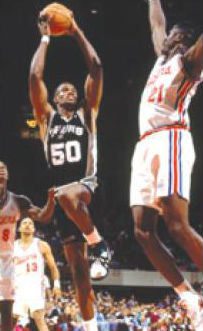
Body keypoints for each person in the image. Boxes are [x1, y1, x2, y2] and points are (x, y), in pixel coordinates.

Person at [29, 10, 111, 331]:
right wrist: (45, 38)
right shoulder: (46, 120)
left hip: (87, 188)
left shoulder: (87, 113)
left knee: (66, 194)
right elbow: (35, 78)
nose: (67, 91)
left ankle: (101, 245)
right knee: (78, 274)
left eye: (71, 90)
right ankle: (91, 327)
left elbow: (97, 67)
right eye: (61, 90)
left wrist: (74, 30)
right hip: (65, 201)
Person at [130, 0, 203, 330]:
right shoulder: (161, 60)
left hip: (171, 138)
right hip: (145, 143)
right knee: (143, 232)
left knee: (176, 226)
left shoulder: (188, 63)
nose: (169, 35)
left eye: (177, 34)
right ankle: (188, 297)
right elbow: (156, 24)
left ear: (185, 42)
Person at [0, 160, 55, 331]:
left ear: (8, 175)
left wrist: (51, 200)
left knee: (8, 317)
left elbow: (42, 216)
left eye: (3, 168)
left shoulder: (17, 201)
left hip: (7, 262)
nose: (1, 170)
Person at [13, 217, 61, 331]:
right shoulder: (12, 246)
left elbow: (53, 267)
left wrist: (57, 285)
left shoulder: (41, 245)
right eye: (24, 223)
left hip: (35, 287)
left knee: (39, 318)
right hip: (17, 287)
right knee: (11, 321)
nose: (27, 225)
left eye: (30, 223)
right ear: (19, 228)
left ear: (34, 229)